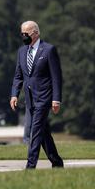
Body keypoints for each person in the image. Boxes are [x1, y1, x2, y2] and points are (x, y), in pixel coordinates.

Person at [10, 21, 64, 169]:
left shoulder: (48, 50)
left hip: (44, 97)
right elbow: (18, 76)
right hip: (30, 99)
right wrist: (14, 94)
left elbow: (56, 77)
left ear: (35, 33)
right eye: (22, 33)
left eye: (26, 33)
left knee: (35, 131)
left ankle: (30, 166)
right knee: (44, 133)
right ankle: (57, 163)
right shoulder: (22, 51)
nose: (23, 36)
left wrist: (56, 99)